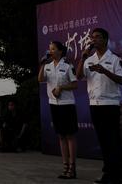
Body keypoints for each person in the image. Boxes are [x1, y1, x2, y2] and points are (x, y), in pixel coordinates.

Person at [76, 28, 122, 184]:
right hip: (95, 104)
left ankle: (119, 175)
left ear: (105, 40)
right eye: (92, 37)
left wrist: (104, 71)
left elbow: (121, 80)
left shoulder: (115, 59)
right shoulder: (89, 59)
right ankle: (107, 173)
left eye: (97, 37)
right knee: (103, 141)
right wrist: (83, 58)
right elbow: (78, 76)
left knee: (113, 141)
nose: (94, 40)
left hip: (110, 105)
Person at [39, 40, 79, 179]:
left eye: (53, 49)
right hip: (53, 104)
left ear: (60, 51)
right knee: (61, 136)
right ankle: (65, 166)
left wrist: (61, 87)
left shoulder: (68, 65)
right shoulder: (48, 66)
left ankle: (72, 167)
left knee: (69, 135)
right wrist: (42, 64)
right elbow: (40, 79)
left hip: (67, 104)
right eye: (49, 49)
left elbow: (75, 85)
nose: (50, 51)